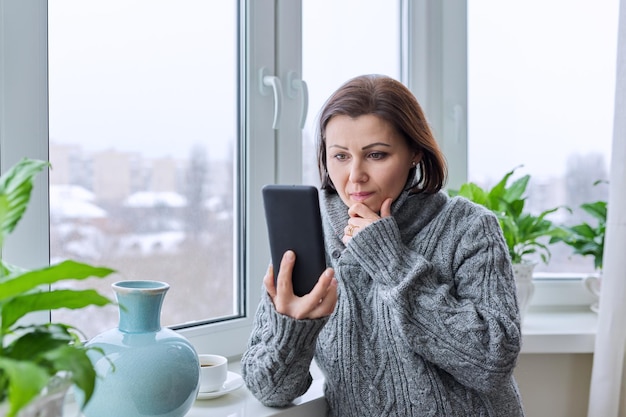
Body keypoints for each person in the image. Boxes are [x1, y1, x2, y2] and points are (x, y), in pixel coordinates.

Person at [241, 74, 525, 416]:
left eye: (375, 155)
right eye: (341, 156)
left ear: (415, 152)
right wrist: (294, 328)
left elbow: (493, 362)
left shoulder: (469, 227)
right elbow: (268, 390)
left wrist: (392, 262)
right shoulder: (311, 233)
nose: (355, 175)